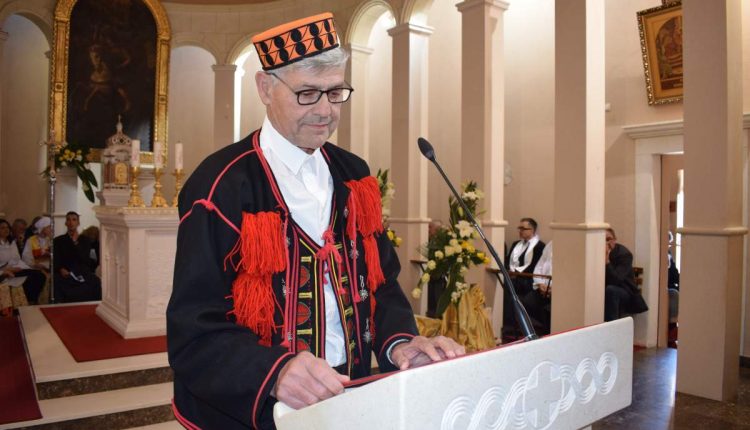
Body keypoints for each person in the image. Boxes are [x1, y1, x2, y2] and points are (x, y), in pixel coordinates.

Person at [167, 13, 465, 430]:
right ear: (265, 88)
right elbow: (193, 329)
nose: (326, 111)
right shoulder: (220, 185)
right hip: (254, 407)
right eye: (307, 94)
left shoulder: (354, 175)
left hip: (350, 392)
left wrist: (399, 343)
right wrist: (274, 372)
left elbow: (380, 285)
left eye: (336, 92)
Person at [503, 217, 545, 338]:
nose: (520, 231)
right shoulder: (516, 244)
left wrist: (516, 273)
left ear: (532, 230)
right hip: (514, 277)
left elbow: (535, 265)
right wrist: (510, 270)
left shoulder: (539, 246)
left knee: (510, 288)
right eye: (519, 228)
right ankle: (508, 326)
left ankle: (514, 327)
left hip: (527, 279)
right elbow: (509, 260)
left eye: (523, 228)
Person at [53, 212, 101, 303]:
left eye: (74, 220)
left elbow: (84, 258)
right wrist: (61, 268)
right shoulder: (58, 240)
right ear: (65, 223)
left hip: (80, 270)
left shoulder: (85, 240)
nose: (71, 222)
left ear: (78, 223)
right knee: (58, 282)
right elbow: (56, 258)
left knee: (95, 281)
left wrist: (75, 242)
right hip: (65, 270)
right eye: (68, 220)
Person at [605, 227, 648, 321]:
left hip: (626, 291)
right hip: (605, 289)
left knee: (611, 291)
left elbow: (616, 280)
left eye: (608, 239)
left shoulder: (624, 254)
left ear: (614, 240)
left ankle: (611, 327)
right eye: (603, 240)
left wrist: (607, 261)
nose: (606, 243)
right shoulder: (595, 253)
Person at [0, 219, 46, 304]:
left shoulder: (11, 242)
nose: (6, 230)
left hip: (16, 267)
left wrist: (27, 267)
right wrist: (8, 269)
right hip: (4, 271)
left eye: (7, 227)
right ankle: (30, 301)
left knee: (40, 275)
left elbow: (17, 258)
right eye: (2, 228)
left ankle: (33, 300)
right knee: (30, 278)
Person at [520, 241, 553, 336]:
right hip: (542, 287)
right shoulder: (550, 244)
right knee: (526, 302)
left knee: (547, 310)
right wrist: (540, 283)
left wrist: (552, 288)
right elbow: (538, 267)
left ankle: (547, 333)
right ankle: (537, 332)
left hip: (556, 291)